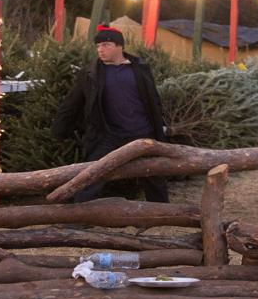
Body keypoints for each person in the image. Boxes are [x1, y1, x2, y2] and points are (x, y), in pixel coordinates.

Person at [52, 25, 170, 203]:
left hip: (142, 133)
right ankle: (79, 216)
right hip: (107, 136)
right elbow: (72, 103)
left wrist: (160, 124)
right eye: (98, 46)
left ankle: (162, 214)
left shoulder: (139, 69)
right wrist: (60, 129)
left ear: (119, 46)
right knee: (91, 176)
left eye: (105, 45)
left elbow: (153, 100)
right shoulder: (91, 73)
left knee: (153, 176)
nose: (100, 49)